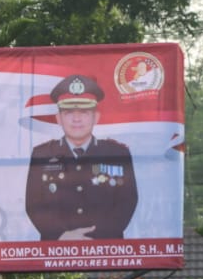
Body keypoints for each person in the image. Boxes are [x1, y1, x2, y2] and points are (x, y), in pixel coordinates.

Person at [25, 74, 138, 240]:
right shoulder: (42, 154)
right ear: (59, 119)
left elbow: (127, 202)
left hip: (105, 250)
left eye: (84, 112)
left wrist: (93, 238)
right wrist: (62, 235)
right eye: (69, 112)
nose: (76, 119)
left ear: (96, 117)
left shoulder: (117, 154)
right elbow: (34, 205)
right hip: (56, 251)